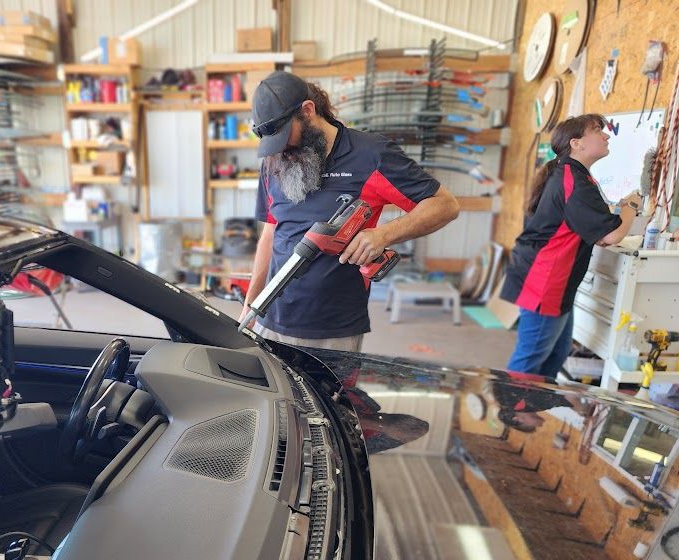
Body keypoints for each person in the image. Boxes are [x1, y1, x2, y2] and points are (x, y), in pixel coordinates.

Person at [240, 71, 460, 351]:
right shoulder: (274, 163)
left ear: (308, 111)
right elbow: (270, 234)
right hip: (270, 317)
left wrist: (383, 235)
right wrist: (251, 303)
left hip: (333, 328)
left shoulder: (370, 155)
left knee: (329, 396)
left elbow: (445, 204)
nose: (280, 149)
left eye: (284, 136)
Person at [502, 114, 640, 377]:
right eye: (597, 130)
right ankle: (514, 412)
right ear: (576, 143)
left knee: (557, 352)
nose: (605, 135)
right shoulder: (572, 180)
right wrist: (630, 206)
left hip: (549, 279)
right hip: (545, 281)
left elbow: (597, 230)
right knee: (530, 358)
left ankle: (529, 406)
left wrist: (621, 214)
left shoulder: (570, 174)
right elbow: (611, 235)